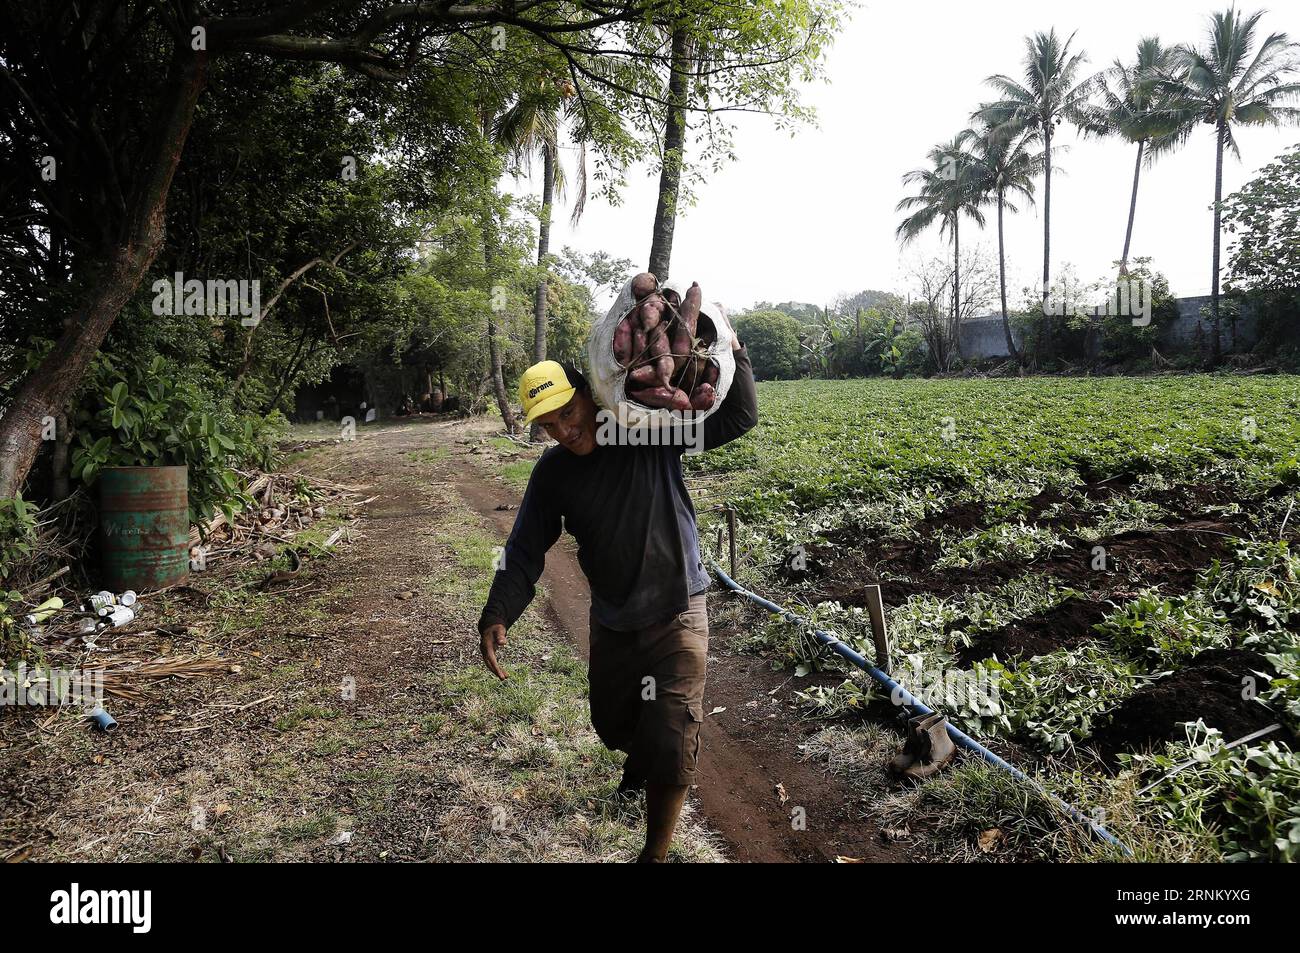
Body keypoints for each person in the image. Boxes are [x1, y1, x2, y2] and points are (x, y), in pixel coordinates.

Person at [477, 297, 757, 863]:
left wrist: (733, 349)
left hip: (679, 605)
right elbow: (525, 548)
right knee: (612, 720)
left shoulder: (648, 432)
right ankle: (639, 755)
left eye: (567, 412)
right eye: (548, 425)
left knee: (674, 736)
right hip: (613, 616)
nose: (563, 430)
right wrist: (498, 611)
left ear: (588, 392)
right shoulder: (553, 474)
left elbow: (734, 419)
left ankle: (653, 853)